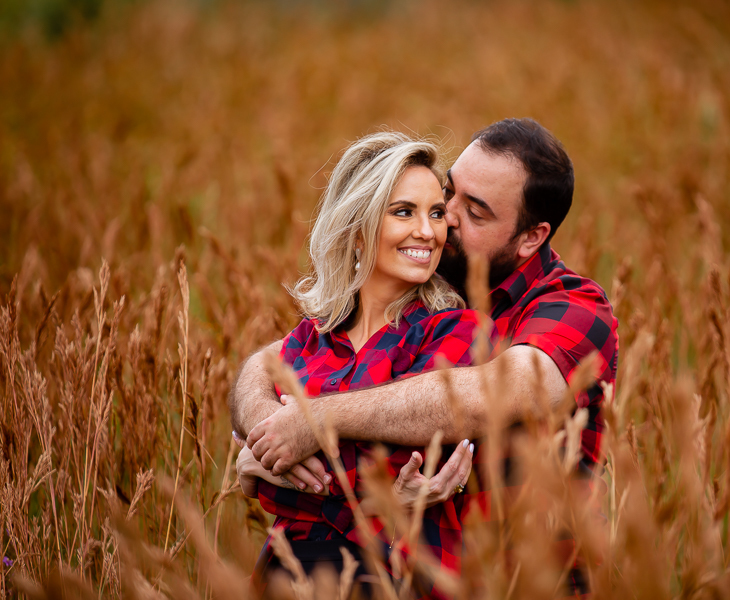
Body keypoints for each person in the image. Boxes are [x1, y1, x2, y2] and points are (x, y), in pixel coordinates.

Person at [235, 118, 618, 591]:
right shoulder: (427, 284)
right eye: (448, 195)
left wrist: (308, 432)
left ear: (530, 238)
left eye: (475, 212)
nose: (445, 220)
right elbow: (272, 362)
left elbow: (489, 396)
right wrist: (263, 428)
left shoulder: (572, 309)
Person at [231, 131, 496, 598]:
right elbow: (371, 473)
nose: (428, 231)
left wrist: (263, 471)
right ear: (357, 229)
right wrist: (376, 494)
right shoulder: (313, 338)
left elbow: (415, 459)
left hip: (390, 576)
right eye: (403, 212)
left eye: (437, 213)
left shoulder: (454, 331)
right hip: (284, 574)